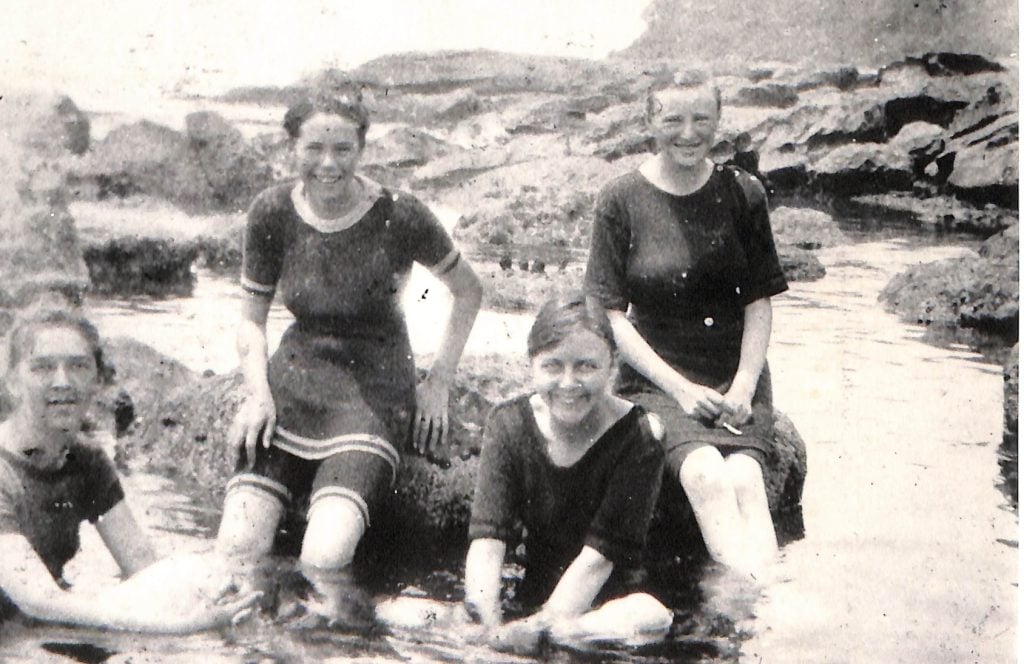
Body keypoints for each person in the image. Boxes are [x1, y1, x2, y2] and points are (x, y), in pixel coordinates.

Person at [217, 88, 483, 623]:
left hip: (375, 388)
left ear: (363, 147)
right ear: (290, 146)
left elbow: (470, 291)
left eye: (343, 148)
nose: (328, 164)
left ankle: (318, 645)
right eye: (314, 148)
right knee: (237, 546)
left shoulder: (400, 213)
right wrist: (256, 393)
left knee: (326, 555)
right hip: (293, 380)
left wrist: (438, 381)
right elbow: (250, 317)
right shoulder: (271, 210)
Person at [584, 76, 789, 580]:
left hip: (734, 377)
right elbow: (610, 315)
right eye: (672, 119)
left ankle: (759, 596)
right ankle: (754, 606)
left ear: (718, 122)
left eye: (701, 119)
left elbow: (759, 302)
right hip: (657, 381)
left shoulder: (743, 192)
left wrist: (744, 384)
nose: (688, 132)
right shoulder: (621, 197)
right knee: (705, 473)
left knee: (743, 475)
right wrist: (680, 390)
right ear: (649, 122)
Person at [0, 302, 260, 632]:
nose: (62, 382)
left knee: (202, 576)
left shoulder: (86, 461)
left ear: (96, 380)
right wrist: (177, 628)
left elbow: (142, 565)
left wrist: (208, 597)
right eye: (42, 368)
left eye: (78, 366)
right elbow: (38, 601)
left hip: (38, 617)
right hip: (21, 624)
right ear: (12, 382)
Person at [464, 293, 671, 650]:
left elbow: (599, 560)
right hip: (534, 593)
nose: (568, 383)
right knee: (403, 611)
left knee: (649, 615)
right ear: (532, 365)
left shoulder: (640, 436)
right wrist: (487, 627)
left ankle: (549, 639)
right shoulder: (507, 423)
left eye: (586, 367)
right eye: (553, 366)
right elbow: (487, 543)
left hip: (607, 605)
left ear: (613, 367)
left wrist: (538, 627)